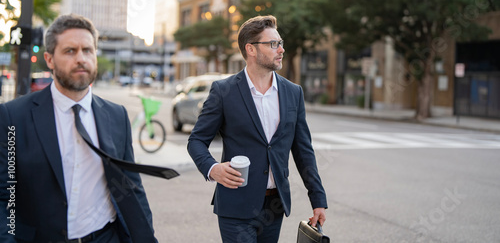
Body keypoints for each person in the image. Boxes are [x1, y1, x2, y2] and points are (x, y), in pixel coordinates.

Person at [0, 14, 157, 242]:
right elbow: (5, 195)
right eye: (70, 51)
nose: (81, 58)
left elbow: (130, 186)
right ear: (50, 59)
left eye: (87, 50)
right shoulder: (13, 116)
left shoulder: (116, 116)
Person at [188, 15, 327, 242]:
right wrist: (212, 168)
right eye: (273, 44)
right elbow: (196, 141)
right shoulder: (224, 91)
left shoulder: (293, 93)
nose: (281, 49)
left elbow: (303, 151)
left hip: (274, 206)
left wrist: (318, 199)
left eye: (280, 43)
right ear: (251, 49)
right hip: (235, 205)